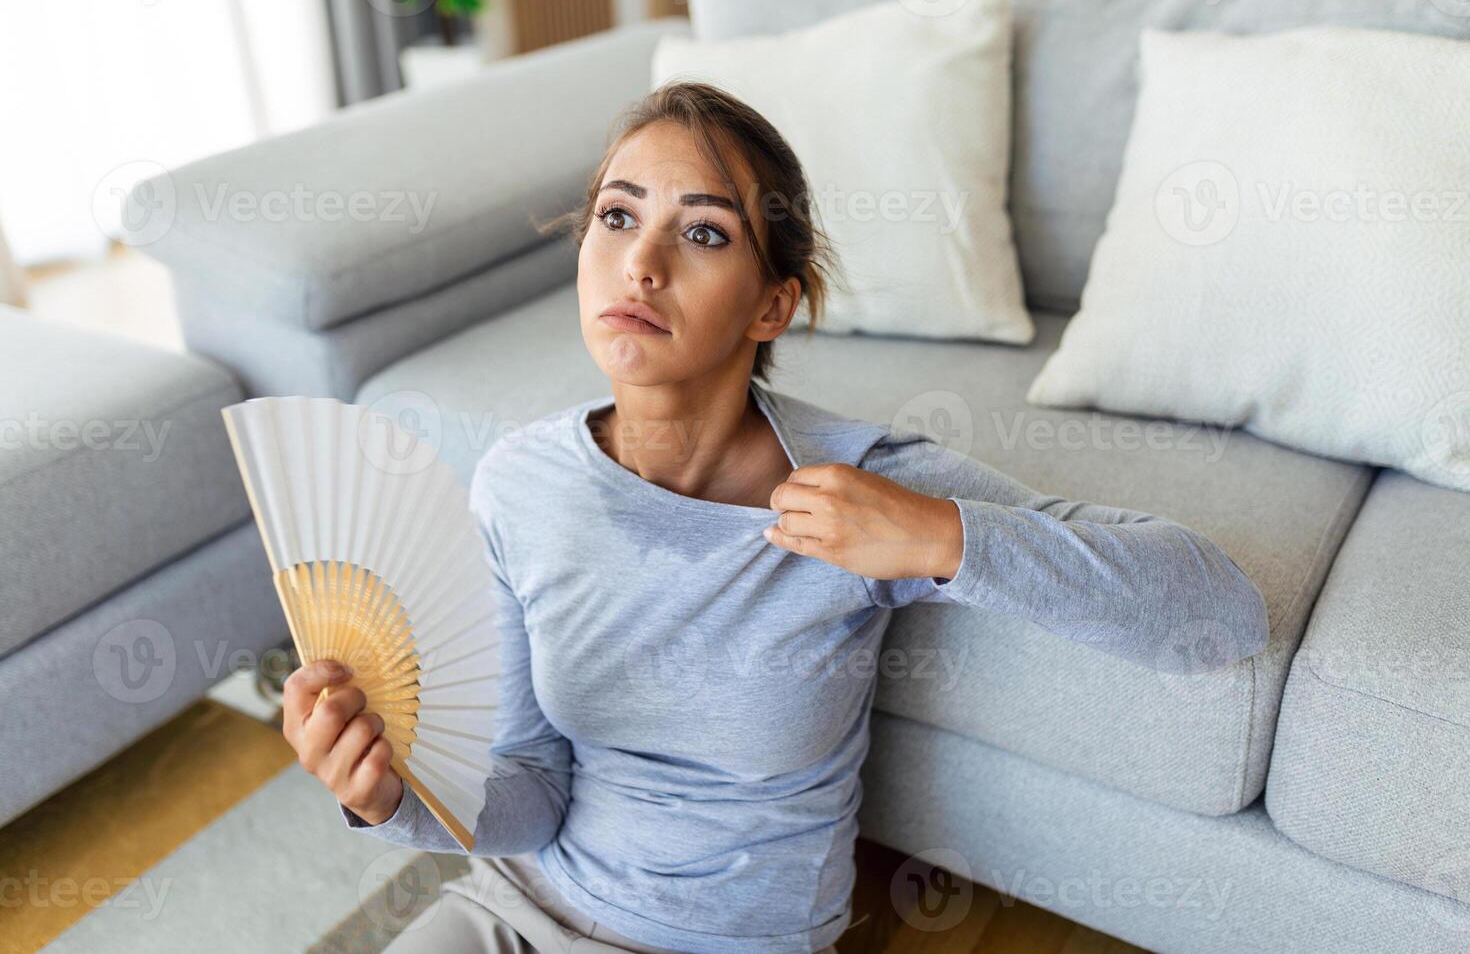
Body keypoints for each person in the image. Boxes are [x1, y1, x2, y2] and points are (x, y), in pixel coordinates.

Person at [280, 81, 1269, 954]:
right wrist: (390, 796)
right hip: (516, 908)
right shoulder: (518, 481)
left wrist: (942, 534)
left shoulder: (858, 488)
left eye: (703, 232)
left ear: (771, 307)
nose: (641, 263)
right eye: (618, 217)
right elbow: (534, 785)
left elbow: (1220, 611)